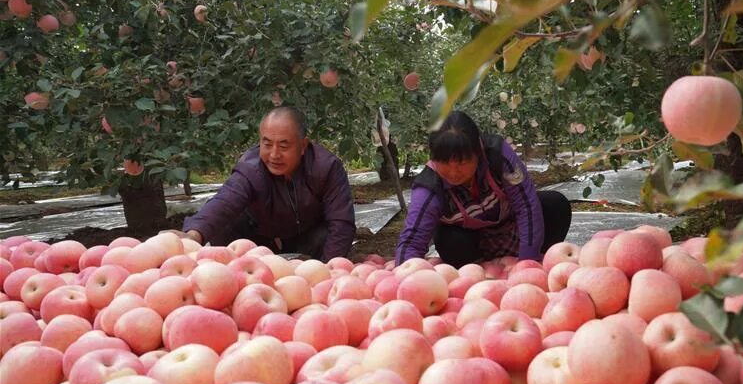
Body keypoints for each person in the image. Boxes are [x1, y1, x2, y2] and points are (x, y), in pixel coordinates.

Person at [395, 111, 571, 267]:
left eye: (462, 162)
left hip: (512, 229)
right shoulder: (429, 186)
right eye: (444, 162)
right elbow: (412, 241)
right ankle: (478, 272)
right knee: (449, 239)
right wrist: (403, 280)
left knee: (554, 205)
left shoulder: (497, 155)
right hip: (473, 246)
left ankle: (543, 260)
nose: (453, 172)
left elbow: (526, 206)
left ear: (478, 152)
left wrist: (527, 265)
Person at [182, 106, 355, 260]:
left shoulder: (326, 167)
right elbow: (225, 200)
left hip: (306, 238)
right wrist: (193, 235)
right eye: (267, 144)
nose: (274, 155)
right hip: (261, 243)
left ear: (303, 146)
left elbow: (342, 222)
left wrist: (330, 272)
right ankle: (244, 273)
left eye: (284, 146)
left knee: (327, 235)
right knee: (224, 223)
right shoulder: (251, 168)